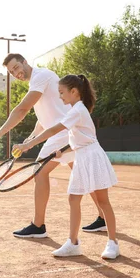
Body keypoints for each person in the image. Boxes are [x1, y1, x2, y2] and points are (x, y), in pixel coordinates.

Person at [0, 54, 105, 238]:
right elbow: (43, 119)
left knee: (40, 172)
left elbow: (22, 110)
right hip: (65, 132)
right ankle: (102, 218)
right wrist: (29, 140)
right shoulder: (38, 82)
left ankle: (38, 225)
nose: (16, 73)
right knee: (83, 175)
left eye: (16, 67)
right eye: (11, 72)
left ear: (25, 62)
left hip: (63, 133)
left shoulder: (41, 76)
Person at [12, 74, 119, 259]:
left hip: (92, 157)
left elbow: (54, 130)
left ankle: (113, 243)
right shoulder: (75, 110)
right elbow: (78, 137)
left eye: (62, 93)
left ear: (74, 92)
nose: (60, 97)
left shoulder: (77, 110)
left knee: (103, 201)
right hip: (81, 157)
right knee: (73, 199)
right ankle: (73, 243)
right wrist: (63, 150)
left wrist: (27, 144)